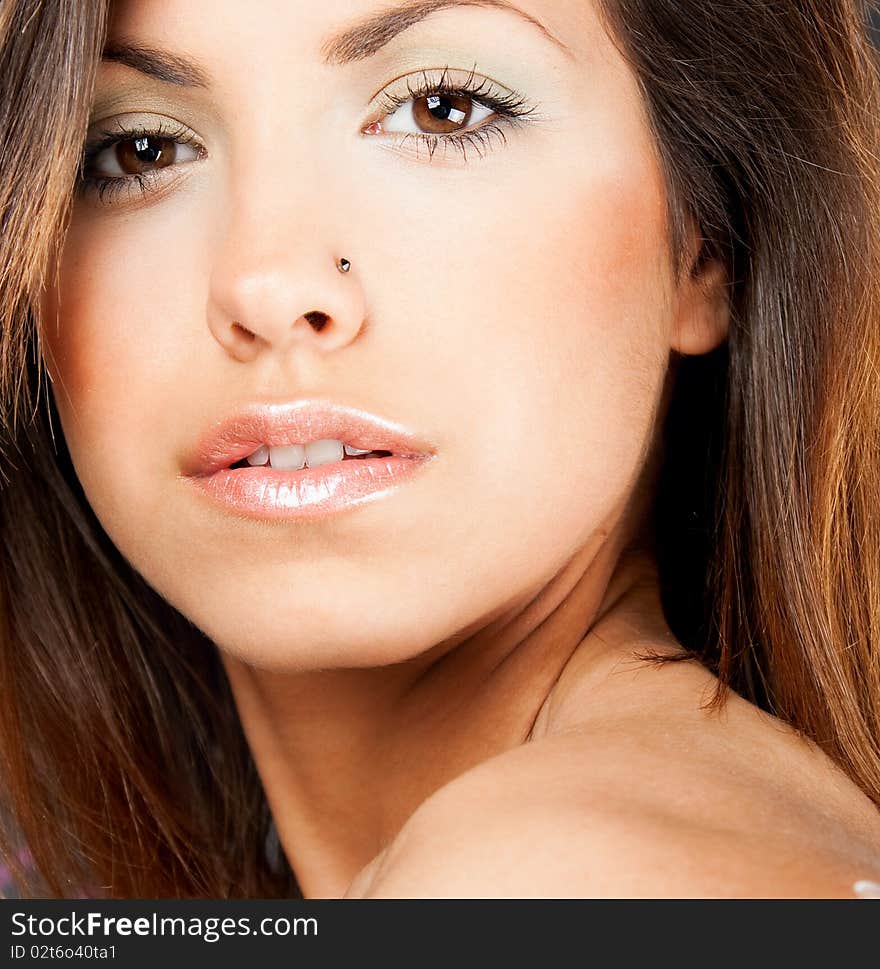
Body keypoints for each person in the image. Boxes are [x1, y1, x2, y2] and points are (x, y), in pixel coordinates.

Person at [1, 0, 880, 900]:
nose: (265, 284)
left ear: (705, 245)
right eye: (136, 148)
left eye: (442, 109)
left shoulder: (561, 879)